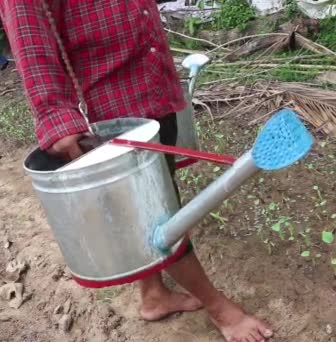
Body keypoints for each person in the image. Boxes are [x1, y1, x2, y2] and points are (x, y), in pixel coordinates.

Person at [0, 2, 273, 342]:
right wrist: (55, 115)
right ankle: (222, 311)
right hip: (107, 118)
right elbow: (30, 38)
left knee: (144, 215)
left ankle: (154, 296)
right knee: (161, 221)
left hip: (148, 95)